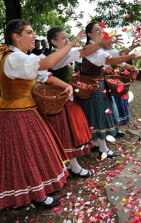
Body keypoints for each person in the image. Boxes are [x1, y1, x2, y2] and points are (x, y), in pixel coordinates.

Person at [0, 19, 84, 210]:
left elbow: (46, 76)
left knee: (30, 155)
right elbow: (46, 63)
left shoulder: (22, 58)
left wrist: (67, 85)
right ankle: (37, 195)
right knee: (23, 156)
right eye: (29, 32)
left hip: (25, 113)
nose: (34, 36)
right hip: (14, 116)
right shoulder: (14, 58)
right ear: (16, 36)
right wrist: (72, 42)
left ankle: (37, 191)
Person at [45, 27, 122, 177]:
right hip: (60, 101)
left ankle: (72, 164)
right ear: (53, 41)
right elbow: (83, 53)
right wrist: (103, 43)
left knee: (70, 131)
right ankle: (74, 166)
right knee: (68, 132)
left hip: (67, 98)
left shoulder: (62, 54)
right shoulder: (54, 56)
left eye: (67, 37)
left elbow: (84, 52)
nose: (67, 40)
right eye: (63, 38)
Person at [79, 22, 141, 158]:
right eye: (97, 30)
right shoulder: (91, 48)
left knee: (96, 113)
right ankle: (103, 147)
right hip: (94, 86)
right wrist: (130, 57)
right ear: (89, 34)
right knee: (98, 114)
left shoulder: (95, 48)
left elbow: (110, 57)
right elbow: (111, 59)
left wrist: (104, 69)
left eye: (101, 29)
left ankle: (96, 142)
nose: (101, 31)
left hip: (95, 84)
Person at [104, 38, 141, 132]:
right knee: (112, 105)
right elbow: (121, 53)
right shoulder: (104, 53)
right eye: (109, 41)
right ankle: (112, 128)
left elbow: (123, 64)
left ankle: (118, 127)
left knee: (120, 104)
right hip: (110, 84)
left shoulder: (114, 52)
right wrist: (132, 47)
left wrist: (133, 67)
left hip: (118, 83)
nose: (111, 43)